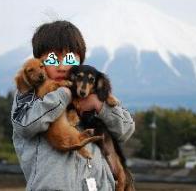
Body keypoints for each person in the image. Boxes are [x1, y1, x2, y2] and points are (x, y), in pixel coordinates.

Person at [11, 20, 135, 191]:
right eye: (53, 59)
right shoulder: (29, 93)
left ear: (80, 60)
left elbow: (126, 130)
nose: (62, 67)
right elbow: (25, 125)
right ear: (39, 62)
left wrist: (99, 105)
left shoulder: (91, 90)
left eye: (69, 58)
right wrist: (65, 94)